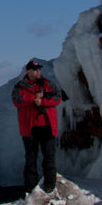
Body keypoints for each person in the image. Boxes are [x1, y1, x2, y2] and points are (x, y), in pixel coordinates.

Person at [11, 58, 61, 195]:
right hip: (30, 128)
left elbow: (58, 97)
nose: (38, 72)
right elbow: (17, 100)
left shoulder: (48, 84)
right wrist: (33, 99)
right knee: (30, 159)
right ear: (28, 71)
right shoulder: (19, 87)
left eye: (39, 69)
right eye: (35, 70)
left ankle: (50, 185)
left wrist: (43, 101)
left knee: (49, 157)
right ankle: (30, 187)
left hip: (47, 127)